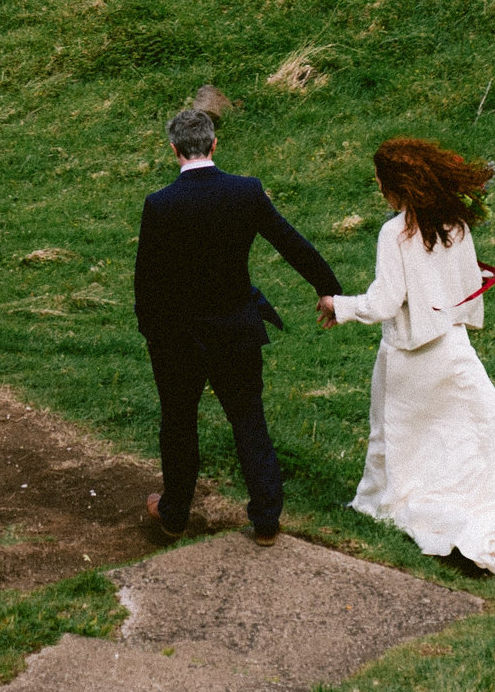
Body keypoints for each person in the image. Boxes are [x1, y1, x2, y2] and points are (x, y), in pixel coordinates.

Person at [319, 137, 495, 578]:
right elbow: (467, 286)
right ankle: (471, 505)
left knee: (389, 432)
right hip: (452, 351)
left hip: (405, 357)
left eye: (380, 182)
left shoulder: (394, 233)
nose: (378, 190)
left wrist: (338, 306)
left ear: (398, 186)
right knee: (481, 434)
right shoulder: (457, 227)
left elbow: (384, 302)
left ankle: (376, 503)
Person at [134, 103, 341, 543]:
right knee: (248, 420)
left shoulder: (160, 204)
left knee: (178, 422)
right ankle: (266, 520)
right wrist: (328, 288)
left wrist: (151, 332)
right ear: (213, 143)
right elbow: (291, 243)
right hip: (236, 329)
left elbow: (146, 281)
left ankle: (173, 515)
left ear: (174, 150)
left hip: (178, 336)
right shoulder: (246, 192)